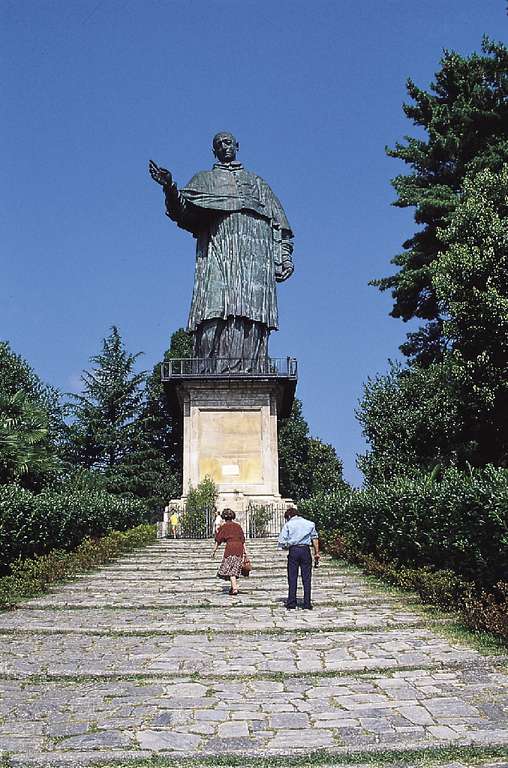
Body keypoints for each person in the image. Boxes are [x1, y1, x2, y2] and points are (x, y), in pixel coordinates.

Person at [149, 132, 294, 371]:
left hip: (255, 255)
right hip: (219, 249)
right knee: (214, 307)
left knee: (251, 312)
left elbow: (279, 223)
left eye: (228, 142)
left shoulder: (257, 183)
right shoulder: (204, 180)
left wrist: (284, 257)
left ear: (237, 146)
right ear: (213, 151)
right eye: (219, 144)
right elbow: (183, 212)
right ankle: (211, 367)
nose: (224, 147)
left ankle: (253, 365)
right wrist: (170, 188)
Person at [277, 507, 320, 610]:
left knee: (292, 577)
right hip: (305, 550)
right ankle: (307, 603)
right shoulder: (310, 523)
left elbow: (282, 541)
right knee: (307, 578)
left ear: (288, 516)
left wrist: (287, 545)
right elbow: (315, 538)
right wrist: (316, 553)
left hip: (294, 550)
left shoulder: (288, 525)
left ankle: (291, 602)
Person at [212, 509, 247, 595]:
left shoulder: (224, 527)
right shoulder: (238, 526)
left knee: (230, 568)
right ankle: (233, 587)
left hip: (230, 548)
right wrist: (245, 552)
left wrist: (214, 550)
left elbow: (218, 539)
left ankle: (235, 588)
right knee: (234, 567)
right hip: (239, 548)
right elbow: (242, 540)